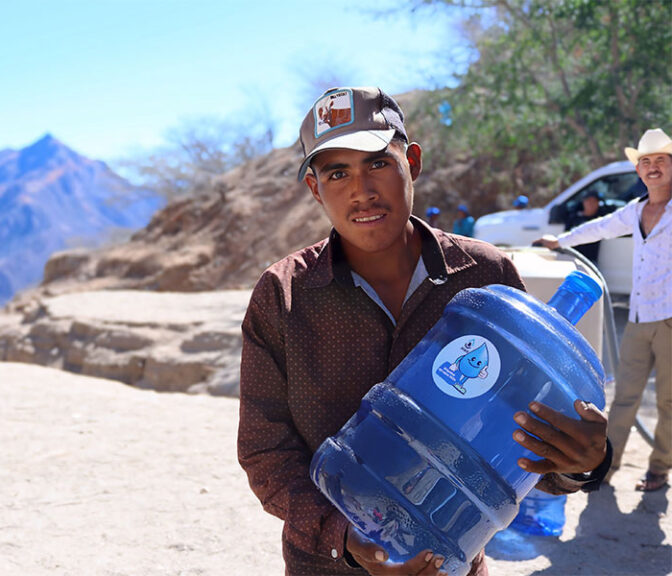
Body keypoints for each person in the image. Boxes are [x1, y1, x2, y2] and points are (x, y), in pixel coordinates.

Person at [238, 86, 611, 576]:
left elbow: (515, 450)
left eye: (377, 162)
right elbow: (265, 452)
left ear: (411, 161)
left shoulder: (486, 278)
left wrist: (582, 462)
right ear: (315, 188)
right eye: (337, 173)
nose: (361, 190)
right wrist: (346, 539)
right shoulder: (284, 296)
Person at [536, 127, 672, 493]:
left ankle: (659, 469)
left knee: (668, 400)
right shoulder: (637, 210)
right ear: (639, 171)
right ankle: (607, 468)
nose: (653, 167)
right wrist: (560, 241)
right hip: (640, 318)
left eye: (660, 160)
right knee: (624, 396)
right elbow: (601, 227)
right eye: (646, 162)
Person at [563, 190, 616, 263]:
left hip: (591, 262)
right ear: (583, 202)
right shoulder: (574, 218)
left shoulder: (600, 219)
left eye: (594, 201)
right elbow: (565, 236)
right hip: (572, 259)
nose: (591, 204)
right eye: (588, 201)